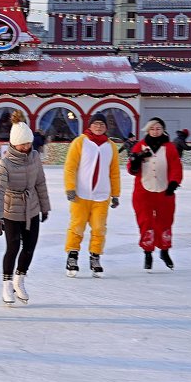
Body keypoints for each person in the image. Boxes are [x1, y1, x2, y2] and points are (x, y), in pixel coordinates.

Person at [0, 121, 50, 305]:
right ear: (14, 143)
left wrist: (44, 206)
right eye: (22, 143)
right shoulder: (6, 163)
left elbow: (40, 182)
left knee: (30, 247)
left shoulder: (34, 157)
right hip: (11, 211)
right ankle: (7, 284)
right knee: (13, 247)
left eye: (28, 143)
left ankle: (19, 280)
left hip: (31, 208)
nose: (26, 146)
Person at [63, 114, 121, 277]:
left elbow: (114, 172)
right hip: (80, 195)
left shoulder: (111, 146)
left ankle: (95, 257)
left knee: (99, 228)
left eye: (102, 124)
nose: (99, 126)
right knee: (77, 226)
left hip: (101, 196)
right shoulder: (80, 142)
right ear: (90, 126)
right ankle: (72, 256)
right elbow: (70, 167)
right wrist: (70, 188)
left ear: (106, 127)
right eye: (95, 123)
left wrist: (115, 194)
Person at [128, 117, 183, 271]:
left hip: (165, 191)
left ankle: (164, 251)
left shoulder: (169, 147)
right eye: (152, 128)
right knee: (145, 222)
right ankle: (148, 253)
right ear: (148, 130)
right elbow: (131, 169)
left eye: (158, 128)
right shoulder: (140, 146)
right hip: (143, 191)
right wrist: (137, 159)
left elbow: (176, 166)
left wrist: (173, 183)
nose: (155, 131)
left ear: (163, 130)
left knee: (165, 222)